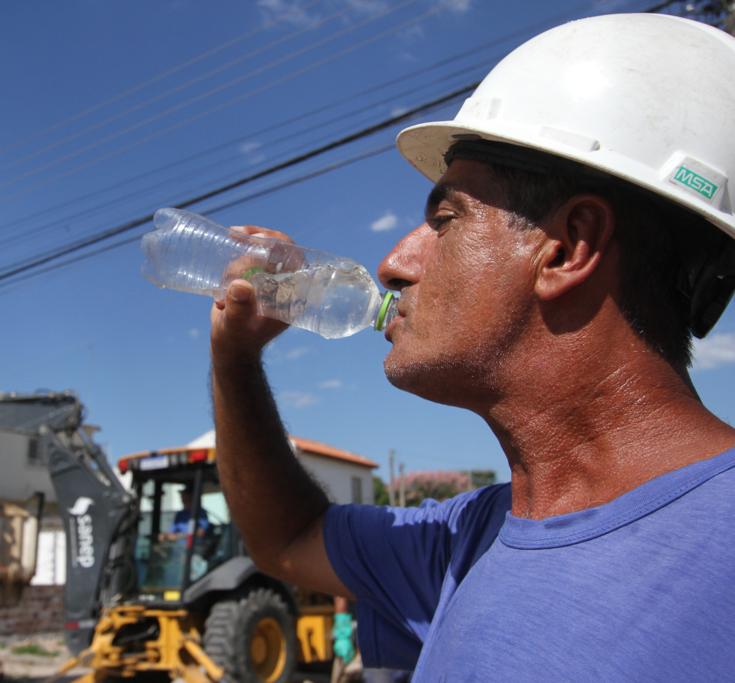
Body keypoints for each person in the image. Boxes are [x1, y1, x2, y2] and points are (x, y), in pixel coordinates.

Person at [208, 13, 735, 682]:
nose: (394, 262)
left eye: (445, 219)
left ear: (568, 247)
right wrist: (236, 357)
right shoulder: (469, 538)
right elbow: (284, 539)